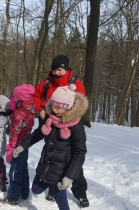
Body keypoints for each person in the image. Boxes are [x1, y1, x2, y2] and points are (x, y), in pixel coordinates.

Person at [13, 85, 88, 209]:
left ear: (68, 107)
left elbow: (79, 154)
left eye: (59, 107)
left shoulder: (76, 126)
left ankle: (56, 187)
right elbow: (38, 133)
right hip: (47, 162)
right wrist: (22, 146)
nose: (55, 109)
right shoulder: (50, 118)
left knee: (60, 197)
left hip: (63, 167)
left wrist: (69, 177)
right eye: (53, 105)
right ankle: (51, 184)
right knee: (36, 190)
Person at [32, 55, 89, 207]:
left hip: (69, 124)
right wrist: (41, 109)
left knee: (72, 159)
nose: (57, 72)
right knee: (52, 155)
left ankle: (80, 191)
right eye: (54, 69)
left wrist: (69, 118)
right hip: (49, 122)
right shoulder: (46, 82)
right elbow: (36, 97)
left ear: (66, 69)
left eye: (60, 69)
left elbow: (80, 103)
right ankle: (52, 186)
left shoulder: (75, 83)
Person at [0, 84, 37, 205]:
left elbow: (16, 132)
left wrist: (11, 149)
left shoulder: (20, 112)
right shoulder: (30, 108)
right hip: (25, 144)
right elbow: (21, 127)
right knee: (23, 169)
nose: (13, 98)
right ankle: (24, 192)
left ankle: (13, 196)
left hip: (17, 145)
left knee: (15, 171)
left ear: (20, 98)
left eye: (15, 96)